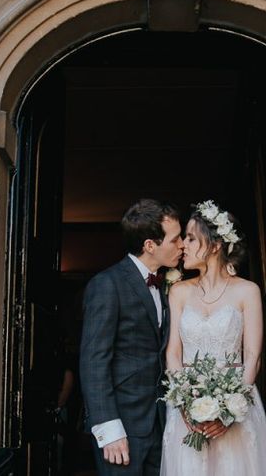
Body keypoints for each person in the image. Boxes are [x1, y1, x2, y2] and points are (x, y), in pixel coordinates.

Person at [161, 201, 266, 475]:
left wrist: (229, 412)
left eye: (191, 238)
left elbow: (252, 357)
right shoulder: (178, 291)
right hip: (187, 409)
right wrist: (184, 403)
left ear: (215, 246)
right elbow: (173, 353)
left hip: (237, 404)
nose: (183, 246)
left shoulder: (247, 291)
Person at [80, 199, 184, 475]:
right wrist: (108, 428)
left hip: (161, 424)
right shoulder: (107, 284)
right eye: (175, 240)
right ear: (150, 245)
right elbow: (93, 360)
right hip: (121, 427)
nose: (183, 244)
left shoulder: (165, 285)